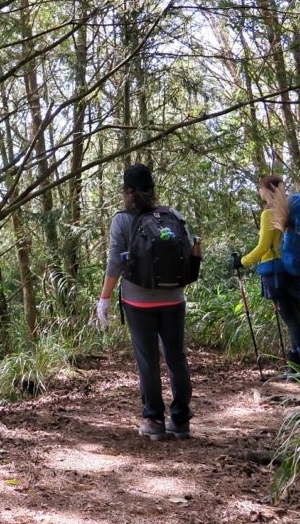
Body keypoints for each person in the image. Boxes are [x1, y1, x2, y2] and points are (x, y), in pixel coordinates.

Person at [95, 163, 197, 441]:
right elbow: (189, 252)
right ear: (153, 190)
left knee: (148, 360)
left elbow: (115, 262)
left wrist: (104, 298)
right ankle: (181, 420)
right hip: (174, 298)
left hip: (138, 301)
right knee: (176, 357)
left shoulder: (122, 220)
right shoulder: (172, 215)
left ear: (126, 192)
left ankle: (154, 420)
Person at [232, 174, 300, 381]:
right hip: (293, 269)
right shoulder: (290, 210)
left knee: (291, 320)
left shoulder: (269, 214)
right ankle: (296, 368)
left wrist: (241, 261)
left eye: (260, 188)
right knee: (293, 319)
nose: (258, 192)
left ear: (267, 190)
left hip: (275, 272)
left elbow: (263, 247)